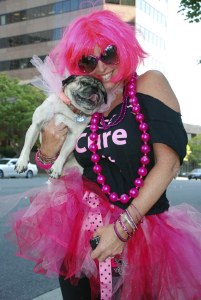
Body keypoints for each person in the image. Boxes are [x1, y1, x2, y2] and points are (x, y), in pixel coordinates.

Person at [9, 9, 201, 300]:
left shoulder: (150, 83)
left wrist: (123, 229)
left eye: (109, 53)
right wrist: (46, 150)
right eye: (88, 60)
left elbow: (170, 163)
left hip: (140, 230)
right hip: (80, 230)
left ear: (123, 48)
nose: (101, 66)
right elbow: (51, 167)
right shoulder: (87, 104)